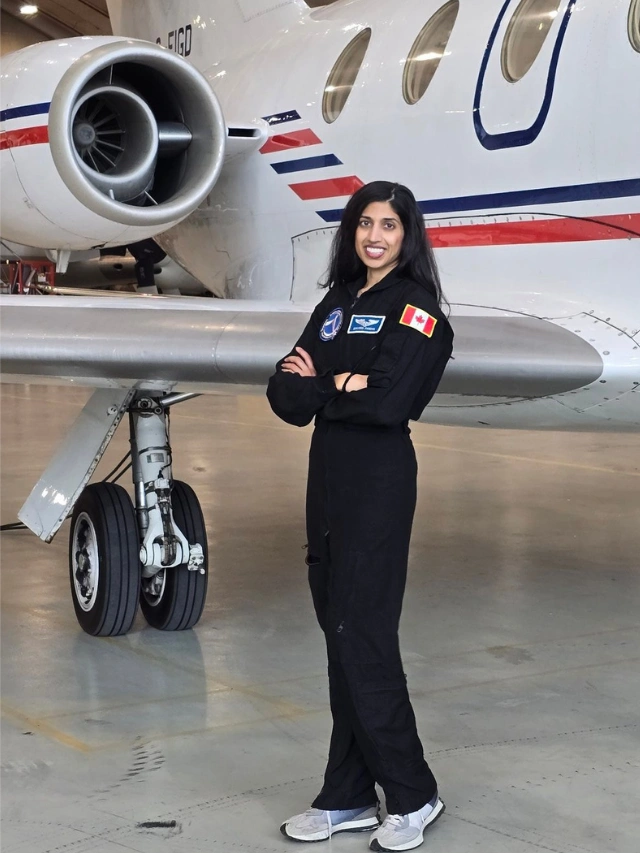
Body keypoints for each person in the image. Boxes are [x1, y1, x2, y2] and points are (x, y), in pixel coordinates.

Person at [266, 181, 454, 852]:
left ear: (408, 237)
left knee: (361, 632)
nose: (375, 235)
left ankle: (411, 790)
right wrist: (339, 384)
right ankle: (345, 793)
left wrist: (329, 384)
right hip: (328, 485)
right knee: (339, 633)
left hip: (378, 483)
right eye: (365, 223)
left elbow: (390, 403)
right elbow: (283, 392)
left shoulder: (419, 311)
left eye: (390, 226)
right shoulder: (339, 303)